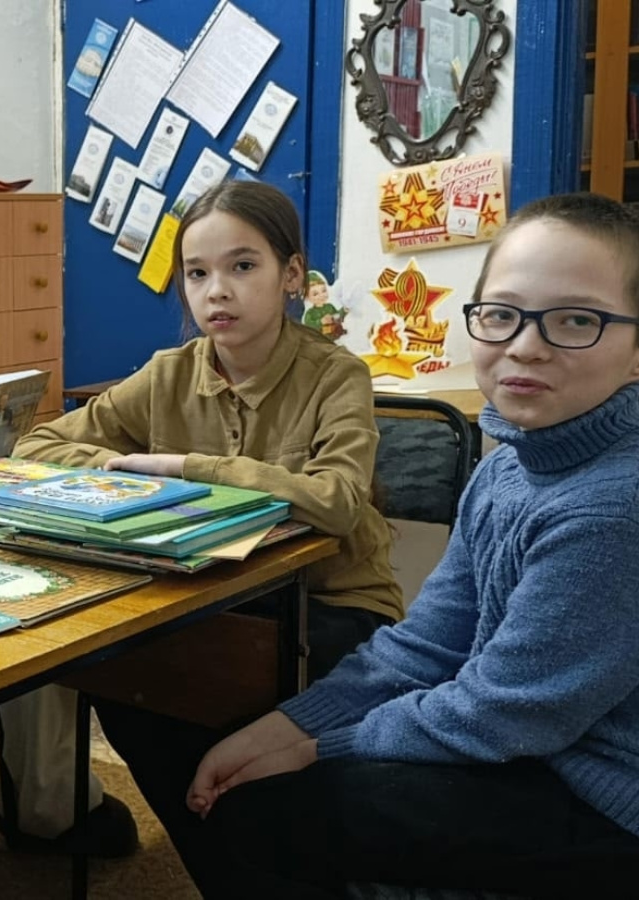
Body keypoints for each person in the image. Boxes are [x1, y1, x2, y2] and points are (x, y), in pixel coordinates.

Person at [187, 192, 639, 897]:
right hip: (537, 747)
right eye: (502, 314)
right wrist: (288, 724)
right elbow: (430, 642)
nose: (525, 345)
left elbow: (510, 710)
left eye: (577, 320)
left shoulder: (614, 505)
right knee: (244, 752)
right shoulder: (508, 467)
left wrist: (321, 748)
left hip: (604, 795)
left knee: (281, 812)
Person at [0, 180, 403, 867]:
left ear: (292, 275)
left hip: (331, 603)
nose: (217, 291)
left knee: (231, 698)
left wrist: (185, 467)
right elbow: (36, 447)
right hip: (207, 595)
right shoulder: (170, 373)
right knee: (125, 675)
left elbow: (335, 502)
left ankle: (263, 862)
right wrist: (128, 472)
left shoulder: (337, 375)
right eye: (197, 273)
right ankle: (233, 862)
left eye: (242, 266)